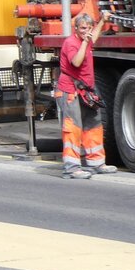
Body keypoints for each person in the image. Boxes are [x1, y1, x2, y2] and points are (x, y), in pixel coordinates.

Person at [56, 12, 117, 179]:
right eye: (83, 28)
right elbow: (76, 62)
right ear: (76, 28)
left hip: (85, 90)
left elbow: (93, 37)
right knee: (73, 128)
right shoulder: (71, 43)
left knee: (93, 125)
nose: (87, 31)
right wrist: (85, 41)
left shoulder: (86, 39)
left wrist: (102, 21)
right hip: (70, 91)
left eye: (89, 28)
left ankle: (96, 163)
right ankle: (71, 168)